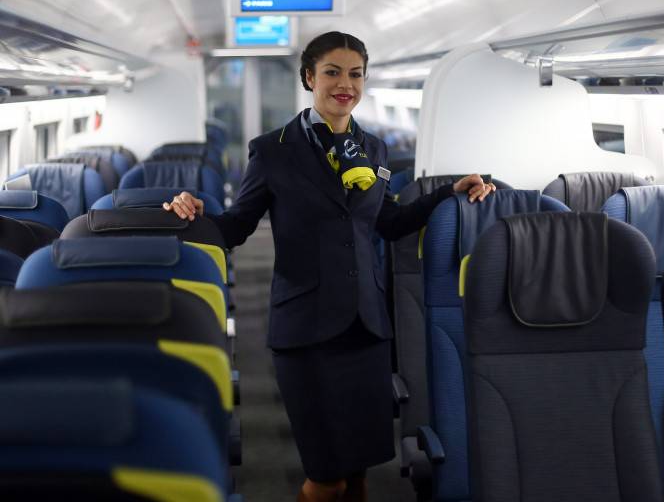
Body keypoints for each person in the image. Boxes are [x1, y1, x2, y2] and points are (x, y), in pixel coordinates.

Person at [163, 31, 495, 502]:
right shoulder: (273, 149)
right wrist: (194, 214)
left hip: (366, 328)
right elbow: (237, 226)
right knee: (326, 477)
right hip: (306, 330)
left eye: (355, 74)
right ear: (309, 77)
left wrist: (448, 193)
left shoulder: (374, 149)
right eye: (333, 72)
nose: (346, 85)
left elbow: (390, 222)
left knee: (358, 473)